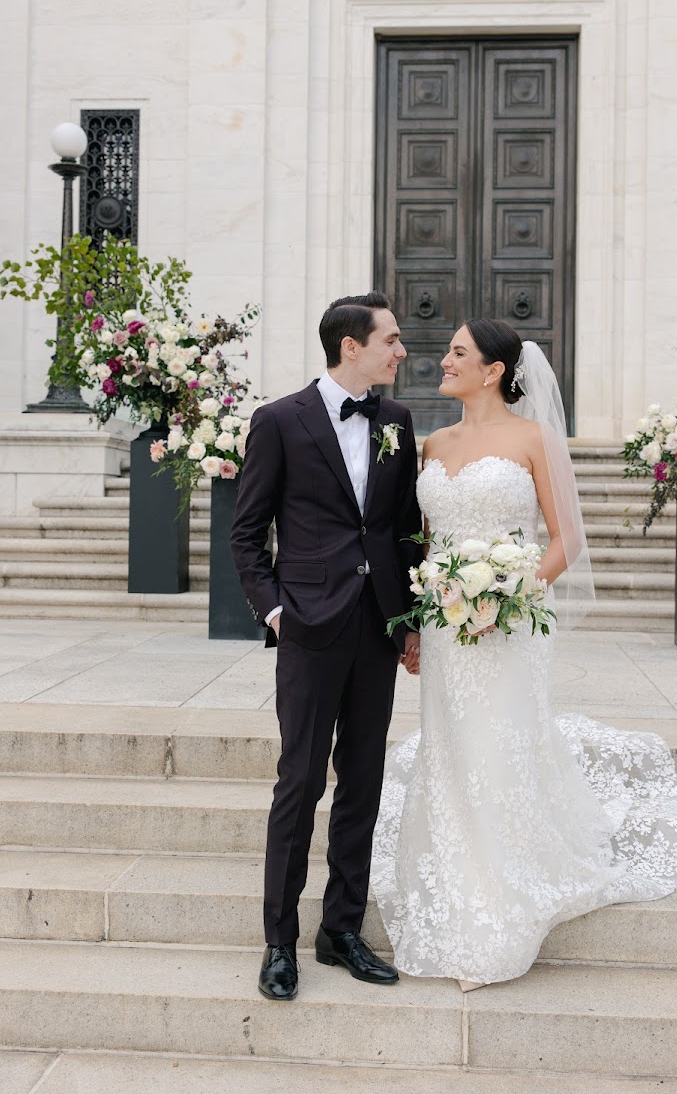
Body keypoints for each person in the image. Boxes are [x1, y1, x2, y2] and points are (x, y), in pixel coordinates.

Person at [371, 319, 677, 990]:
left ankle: (502, 899)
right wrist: (415, 621)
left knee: (501, 747)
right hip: (444, 627)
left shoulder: (534, 440)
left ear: (493, 370)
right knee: (453, 748)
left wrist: (507, 597)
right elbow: (422, 543)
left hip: (512, 626)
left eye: (458, 353)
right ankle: (456, 871)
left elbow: (565, 540)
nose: (444, 360)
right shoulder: (432, 442)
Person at [230, 291, 421, 1002]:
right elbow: (247, 534)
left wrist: (409, 621)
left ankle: (341, 930)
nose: (402, 351)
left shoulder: (397, 421)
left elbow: (404, 530)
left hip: (376, 628)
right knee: (301, 781)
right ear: (352, 346)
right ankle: (279, 940)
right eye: (391, 340)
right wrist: (276, 610)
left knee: (362, 784)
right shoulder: (280, 420)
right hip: (308, 627)